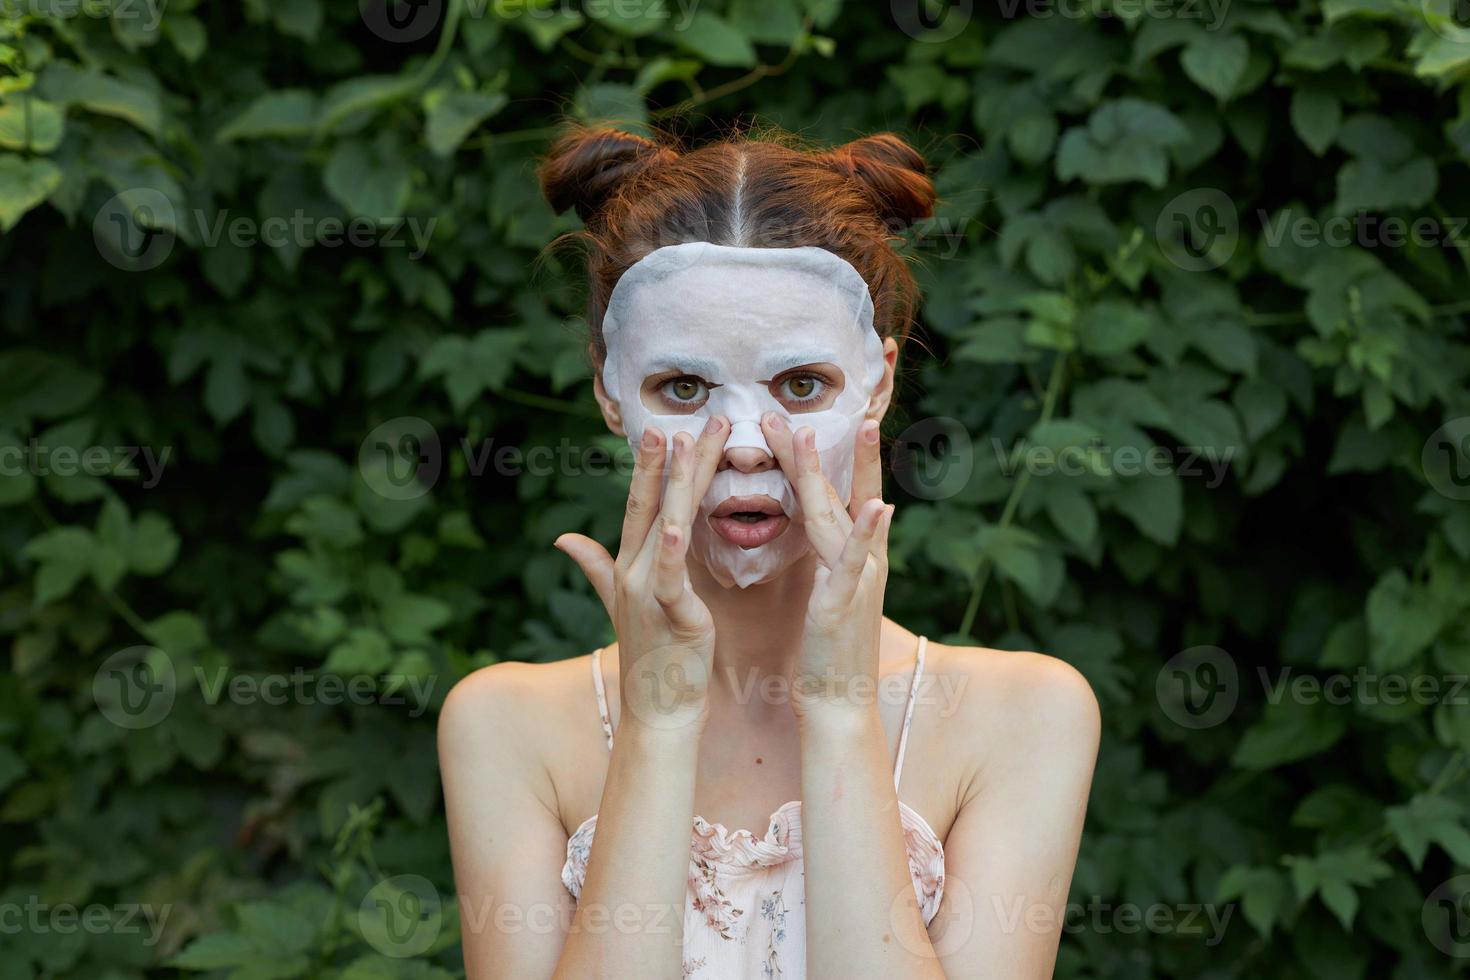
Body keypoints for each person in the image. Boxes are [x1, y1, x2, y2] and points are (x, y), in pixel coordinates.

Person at [438, 125, 1101, 979]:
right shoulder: (505, 728)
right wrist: (658, 724)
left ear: (881, 383)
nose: (747, 447)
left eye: (800, 385)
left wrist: (839, 708)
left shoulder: (1024, 718)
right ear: (609, 391)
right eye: (683, 388)